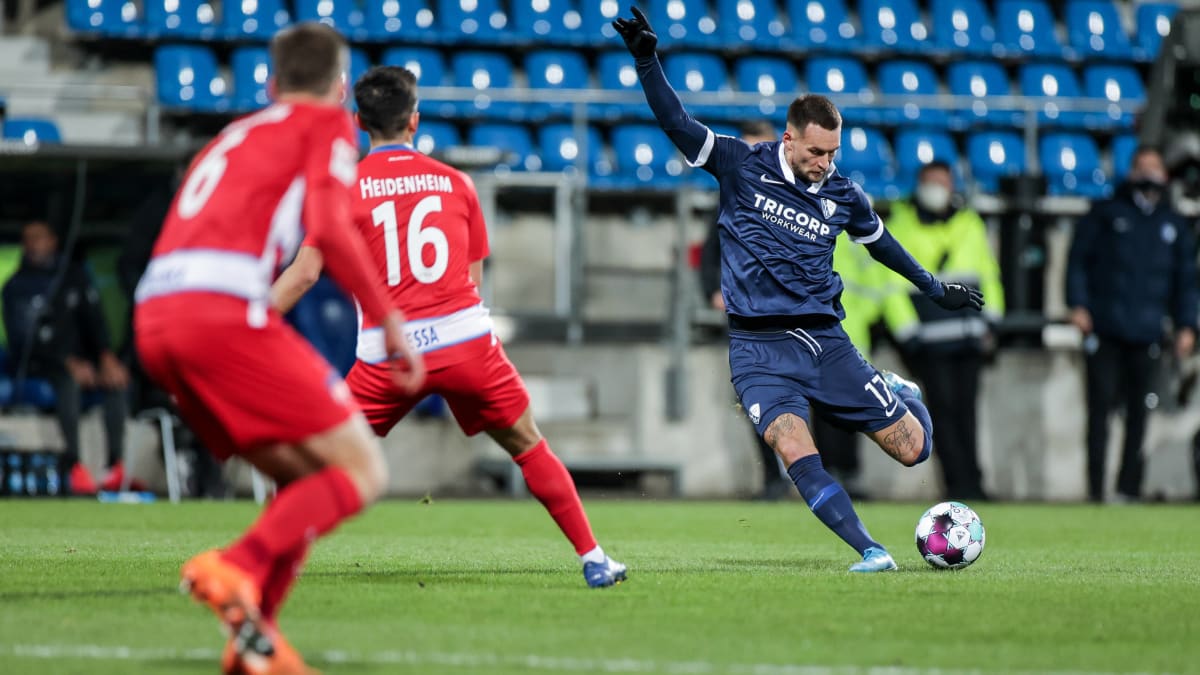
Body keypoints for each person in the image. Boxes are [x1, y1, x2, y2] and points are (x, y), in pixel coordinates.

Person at [613, 7, 983, 572]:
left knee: (914, 450)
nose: (825, 163)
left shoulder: (844, 195)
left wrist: (934, 289)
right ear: (789, 139)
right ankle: (871, 550)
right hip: (756, 349)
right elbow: (678, 125)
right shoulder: (741, 164)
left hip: (821, 340)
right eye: (816, 152)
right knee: (791, 445)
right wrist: (646, 61)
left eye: (834, 152)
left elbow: (881, 244)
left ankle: (890, 387)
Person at [134, 23, 425, 675]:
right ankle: (231, 566)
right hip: (219, 311)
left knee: (302, 475)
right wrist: (388, 318)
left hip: (156, 315)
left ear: (269, 83)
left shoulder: (234, 135)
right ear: (340, 88)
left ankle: (252, 646)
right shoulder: (324, 126)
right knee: (362, 471)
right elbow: (329, 228)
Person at [271, 65, 627, 589]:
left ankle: (263, 561)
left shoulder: (344, 191)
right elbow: (471, 284)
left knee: (318, 456)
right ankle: (594, 557)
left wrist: (241, 321)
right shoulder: (457, 184)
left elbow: (304, 275)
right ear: (415, 119)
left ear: (358, 122)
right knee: (528, 445)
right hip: (466, 346)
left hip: (388, 357)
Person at [1066, 145, 1197, 503]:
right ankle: (1095, 489)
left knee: (1139, 416)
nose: (1149, 174)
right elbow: (1078, 262)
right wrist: (1078, 305)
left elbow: (1186, 281)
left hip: (1148, 332)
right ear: (1131, 172)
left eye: (1155, 167)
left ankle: (1127, 489)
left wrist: (1187, 325)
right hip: (1105, 330)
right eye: (1142, 167)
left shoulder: (1172, 223)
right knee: (1100, 412)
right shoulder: (1107, 214)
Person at [882, 161, 1006, 501]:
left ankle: (975, 484)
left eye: (943, 182)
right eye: (931, 182)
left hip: (968, 336)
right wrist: (908, 333)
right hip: (929, 341)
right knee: (943, 413)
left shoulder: (969, 223)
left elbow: (988, 274)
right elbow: (891, 286)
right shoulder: (901, 226)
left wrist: (991, 321)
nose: (938, 188)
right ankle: (957, 485)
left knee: (966, 412)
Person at [698, 120, 792, 500]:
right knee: (759, 398)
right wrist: (713, 291)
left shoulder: (799, 197)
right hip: (750, 321)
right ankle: (774, 478)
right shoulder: (732, 196)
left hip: (794, 318)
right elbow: (709, 254)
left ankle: (815, 474)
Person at [2, 219, 130, 495]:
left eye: (40, 238)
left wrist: (106, 357)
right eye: (29, 239)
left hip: (84, 362)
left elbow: (95, 321)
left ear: (53, 241)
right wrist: (66, 361)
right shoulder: (16, 286)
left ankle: (115, 466)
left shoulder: (73, 276)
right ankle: (74, 465)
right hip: (41, 364)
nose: (34, 245)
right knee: (67, 381)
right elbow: (22, 341)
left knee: (116, 383)